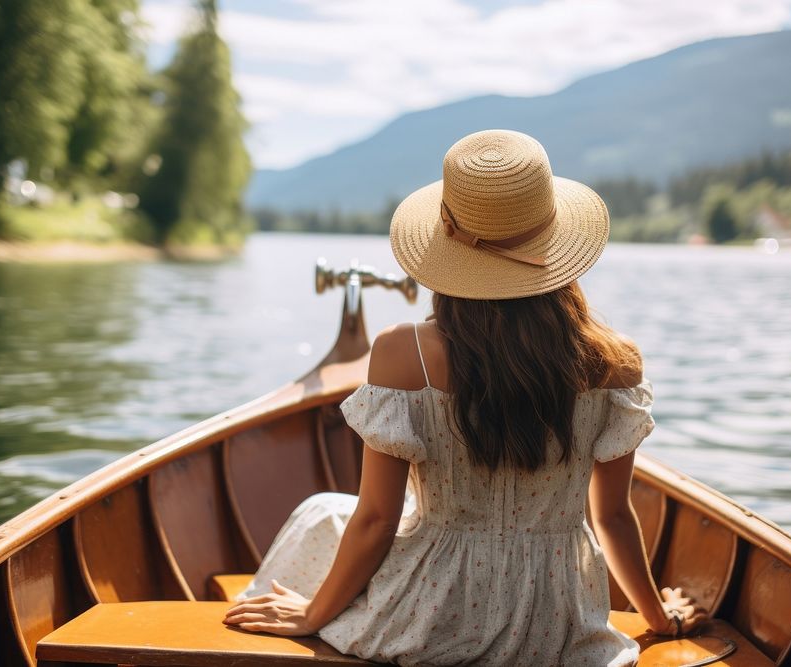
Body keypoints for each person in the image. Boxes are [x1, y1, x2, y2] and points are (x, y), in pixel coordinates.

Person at [223, 129, 707, 665]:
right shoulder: (614, 360)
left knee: (323, 513)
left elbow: (377, 520)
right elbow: (613, 517)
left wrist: (314, 615)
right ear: (555, 244)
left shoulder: (405, 351)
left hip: (431, 620)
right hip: (557, 628)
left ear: (448, 246)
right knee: (328, 515)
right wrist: (661, 619)